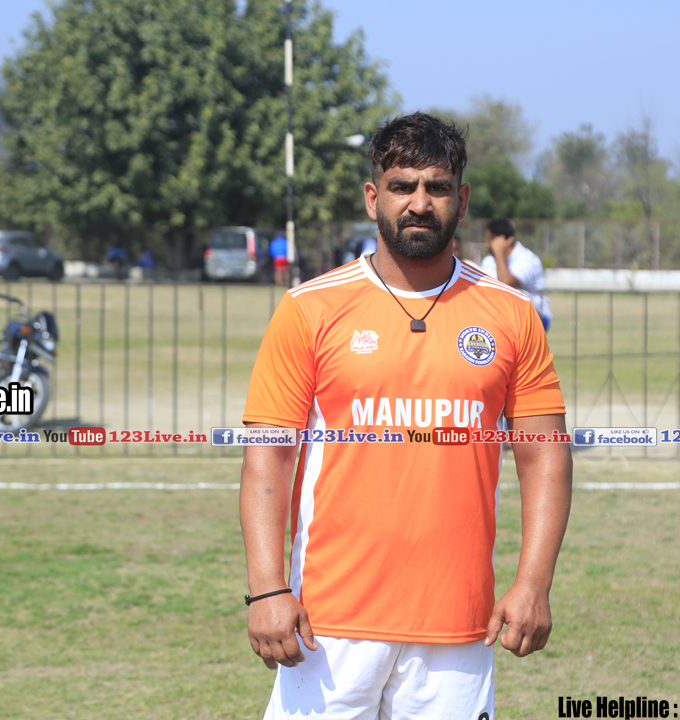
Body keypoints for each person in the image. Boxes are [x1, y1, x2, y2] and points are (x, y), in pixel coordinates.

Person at [240, 112, 572, 719]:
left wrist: (533, 583)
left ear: (461, 201)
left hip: (458, 622)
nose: (419, 203)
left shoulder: (511, 314)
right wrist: (266, 589)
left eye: (437, 187)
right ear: (374, 198)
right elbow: (269, 457)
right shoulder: (309, 309)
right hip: (328, 621)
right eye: (402, 186)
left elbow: (545, 455)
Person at [479, 219, 553, 331]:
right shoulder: (489, 261)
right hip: (502, 317)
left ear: (503, 240)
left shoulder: (528, 259)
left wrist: (499, 252)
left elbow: (506, 283)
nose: (487, 244)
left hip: (537, 317)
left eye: (489, 240)